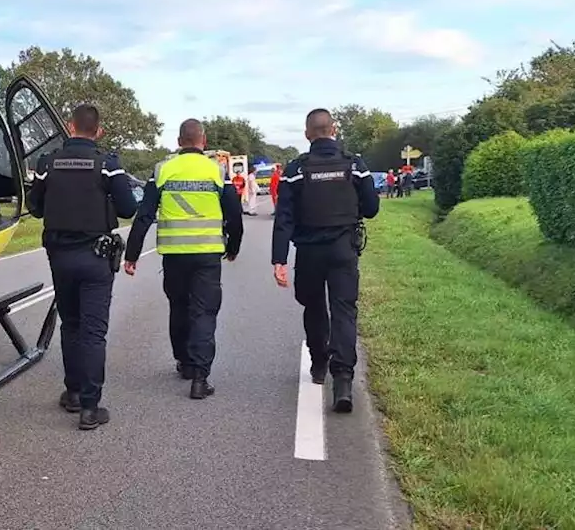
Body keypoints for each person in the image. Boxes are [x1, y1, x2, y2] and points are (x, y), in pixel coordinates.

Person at [26, 105, 138, 430]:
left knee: (71, 324)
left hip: (60, 256)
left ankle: (73, 392)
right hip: (95, 257)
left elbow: (34, 207)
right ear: (98, 131)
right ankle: (91, 407)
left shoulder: (48, 163)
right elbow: (129, 208)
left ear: (69, 126)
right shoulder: (107, 165)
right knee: (93, 331)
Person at [124, 119, 243, 399]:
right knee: (203, 312)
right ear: (203, 141)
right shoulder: (217, 170)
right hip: (207, 254)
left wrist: (132, 254)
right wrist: (234, 245)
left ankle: (185, 362)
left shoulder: (162, 170)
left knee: (179, 306)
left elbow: (145, 214)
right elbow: (234, 214)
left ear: (179, 142)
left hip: (175, 255)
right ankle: (200, 378)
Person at [271, 108, 380, 413]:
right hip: (344, 249)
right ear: (334, 129)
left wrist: (279, 259)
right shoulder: (354, 165)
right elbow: (371, 209)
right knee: (344, 311)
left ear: (307, 134)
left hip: (309, 252)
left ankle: (319, 364)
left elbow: (284, 219)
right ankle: (343, 381)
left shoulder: (295, 170)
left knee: (315, 305)